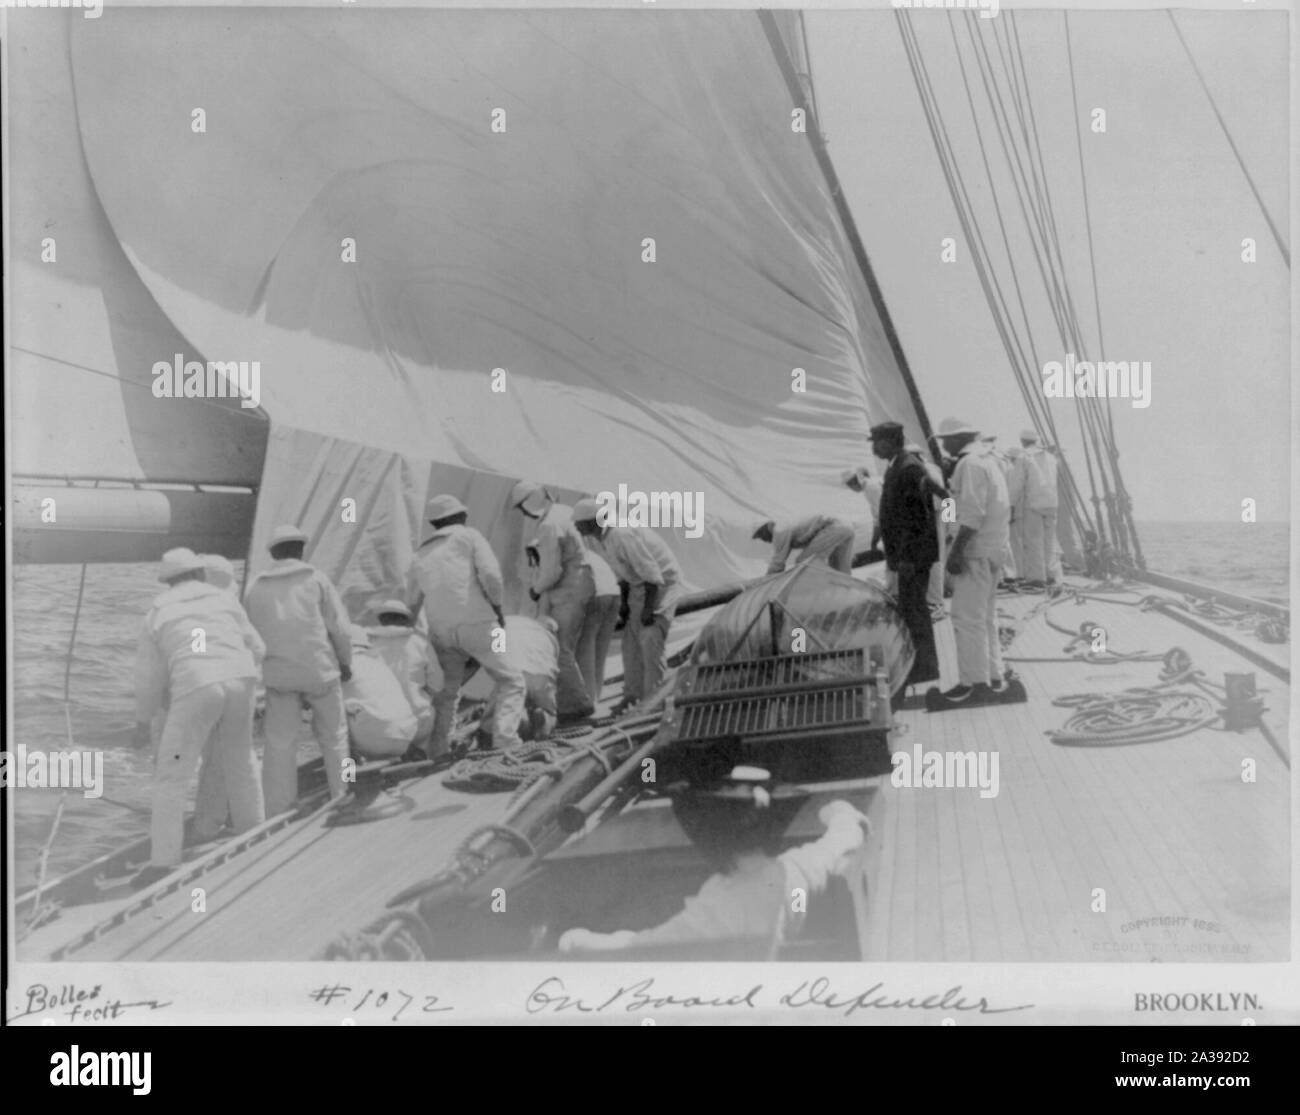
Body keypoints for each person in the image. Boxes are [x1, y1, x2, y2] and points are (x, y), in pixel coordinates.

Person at [558, 766, 871, 959]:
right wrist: (839, 811)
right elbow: (842, 841)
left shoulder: (714, 912)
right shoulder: (795, 872)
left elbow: (641, 947)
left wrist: (576, 940)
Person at [132, 548, 266, 888]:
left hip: (196, 686)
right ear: (199, 574)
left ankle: (163, 862)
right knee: (241, 761)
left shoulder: (157, 612)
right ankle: (258, 835)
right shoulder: (224, 600)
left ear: (168, 581)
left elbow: (148, 677)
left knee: (171, 777)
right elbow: (259, 648)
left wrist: (142, 720)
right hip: (241, 679)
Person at [244, 524, 353, 814]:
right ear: (301, 549)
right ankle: (344, 793)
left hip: (279, 676)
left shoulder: (255, 587)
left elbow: (249, 638)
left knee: (280, 744)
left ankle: (278, 809)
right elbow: (340, 629)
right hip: (320, 670)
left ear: (273, 554)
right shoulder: (316, 579)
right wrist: (346, 663)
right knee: (335, 736)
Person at [409, 494, 525, 755]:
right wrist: (498, 609)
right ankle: (506, 742)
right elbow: (492, 575)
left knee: (448, 692)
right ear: (458, 517)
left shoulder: (420, 554)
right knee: (512, 680)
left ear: (435, 523)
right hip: (480, 624)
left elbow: (412, 603)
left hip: (441, 632)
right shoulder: (469, 536)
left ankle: (438, 750)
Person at [572, 497, 682, 713]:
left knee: (650, 639)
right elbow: (621, 574)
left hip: (660, 585)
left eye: (578, 523)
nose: (575, 527)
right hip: (638, 585)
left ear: (592, 522)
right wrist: (626, 606)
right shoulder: (596, 539)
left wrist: (649, 610)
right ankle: (633, 696)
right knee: (630, 644)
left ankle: (654, 701)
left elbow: (653, 574)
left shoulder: (622, 533)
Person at [934, 417, 1011, 704]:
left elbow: (972, 516)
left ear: (957, 439)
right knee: (986, 618)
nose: (942, 444)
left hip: (974, 552)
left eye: (945, 439)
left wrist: (955, 553)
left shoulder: (969, 465)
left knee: (966, 619)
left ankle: (973, 684)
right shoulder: (989, 461)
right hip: (993, 550)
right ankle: (994, 677)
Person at [509, 481, 596, 721]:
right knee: (569, 647)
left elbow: (551, 571)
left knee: (559, 649)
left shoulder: (548, 525)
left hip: (567, 591)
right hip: (580, 584)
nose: (525, 514)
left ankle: (578, 704)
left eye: (524, 508)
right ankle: (572, 701)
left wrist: (536, 590)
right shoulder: (565, 512)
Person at [870, 421, 948, 687]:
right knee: (912, 610)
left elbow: (916, 519)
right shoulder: (898, 465)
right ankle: (920, 665)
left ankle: (925, 668)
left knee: (916, 612)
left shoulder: (908, 468)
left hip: (911, 559)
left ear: (891, 441)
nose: (873, 447)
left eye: (876, 441)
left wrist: (906, 558)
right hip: (906, 557)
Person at [468, 614, 561, 744]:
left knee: (500, 706)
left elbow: (495, 652)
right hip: (541, 674)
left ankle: (489, 732)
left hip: (511, 668)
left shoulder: (514, 621)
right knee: (550, 711)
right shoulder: (550, 639)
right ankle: (544, 720)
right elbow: (553, 667)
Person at [365, 600, 442, 755]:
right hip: (417, 726)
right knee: (431, 708)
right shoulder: (420, 643)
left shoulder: (367, 642)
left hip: (378, 727)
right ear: (405, 620)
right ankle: (421, 751)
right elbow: (438, 685)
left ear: (381, 620)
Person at [343, 626, 419, 760]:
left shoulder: (345, 668)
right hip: (406, 736)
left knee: (332, 711)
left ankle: (349, 774)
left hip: (374, 741)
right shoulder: (378, 663)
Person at [904, 442, 950, 621]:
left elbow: (945, 496)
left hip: (933, 518)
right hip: (926, 519)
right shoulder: (926, 468)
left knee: (935, 561)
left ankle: (936, 604)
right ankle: (933, 599)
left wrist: (948, 525)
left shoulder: (925, 470)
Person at [575, 545, 621, 707]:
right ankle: (596, 697)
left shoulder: (565, 554)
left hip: (596, 594)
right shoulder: (589, 554)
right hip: (613, 592)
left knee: (585, 648)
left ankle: (589, 699)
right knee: (600, 651)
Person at [1014, 429, 1060, 588]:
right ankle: (1051, 575)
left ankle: (1036, 578)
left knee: (1033, 541)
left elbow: (1017, 484)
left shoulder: (1023, 456)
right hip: (1051, 502)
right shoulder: (1051, 457)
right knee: (1049, 541)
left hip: (1033, 503)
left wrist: (1011, 505)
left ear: (1022, 441)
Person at [753, 514, 855, 576]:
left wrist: (766, 582)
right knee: (841, 573)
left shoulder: (779, 530)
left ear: (764, 529)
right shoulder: (785, 523)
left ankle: (815, 593)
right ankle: (847, 597)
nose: (764, 540)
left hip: (833, 526)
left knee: (804, 562)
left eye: (761, 536)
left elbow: (777, 564)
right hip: (846, 526)